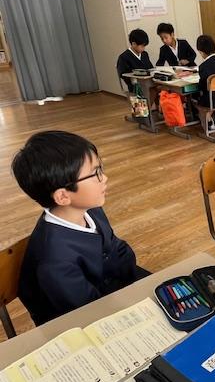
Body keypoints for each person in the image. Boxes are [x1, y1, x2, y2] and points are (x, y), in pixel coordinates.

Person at [12, 131, 149, 325]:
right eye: (95, 173)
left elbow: (119, 250)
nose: (104, 178)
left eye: (101, 168)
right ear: (63, 196)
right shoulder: (53, 260)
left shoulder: (90, 209)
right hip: (80, 323)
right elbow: (89, 312)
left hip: (114, 293)